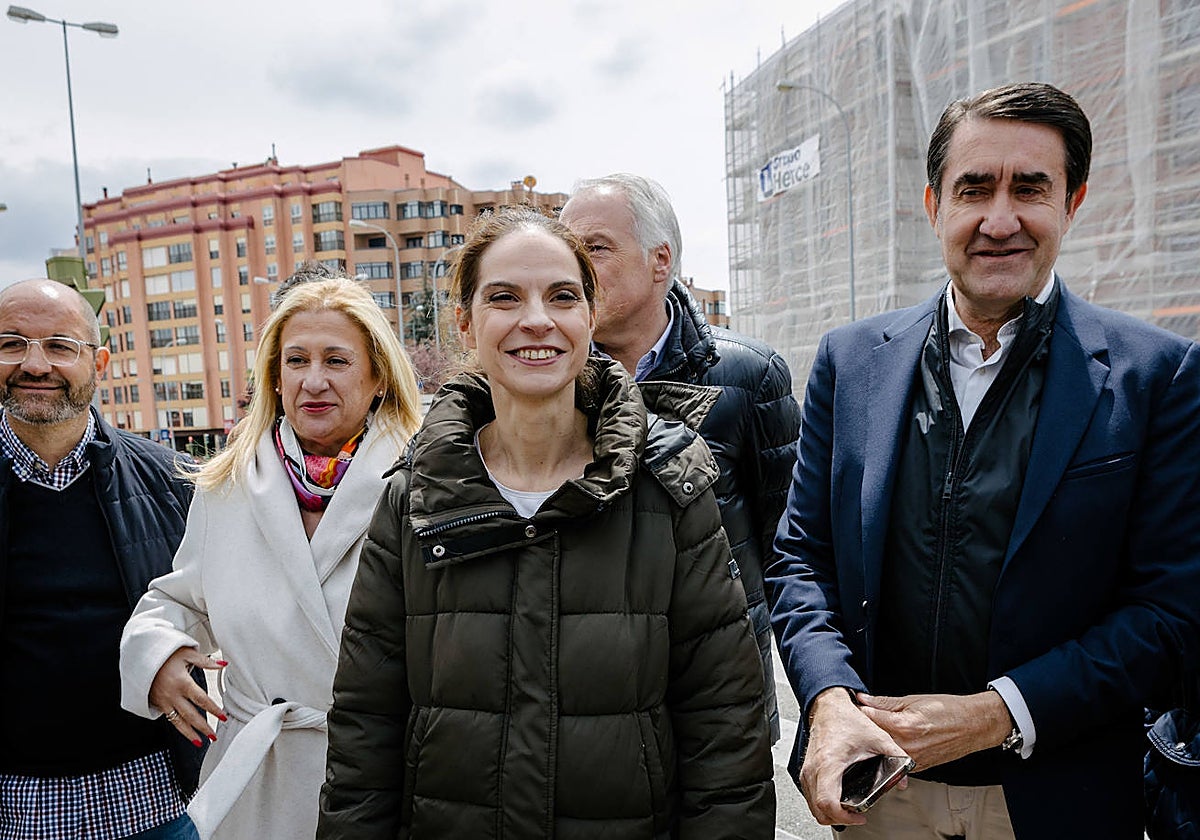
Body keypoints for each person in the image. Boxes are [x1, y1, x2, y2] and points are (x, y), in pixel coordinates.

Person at [767, 81, 1200, 838]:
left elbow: (1170, 613)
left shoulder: (1157, 375)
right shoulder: (851, 361)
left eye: (1030, 188)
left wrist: (997, 713)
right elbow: (802, 559)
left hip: (1058, 797)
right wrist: (828, 698)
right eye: (974, 189)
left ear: (1072, 202)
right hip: (881, 791)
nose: (1000, 220)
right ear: (934, 206)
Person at [318, 207, 775, 838]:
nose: (537, 319)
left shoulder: (668, 489)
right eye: (504, 297)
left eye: (562, 296)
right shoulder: (413, 498)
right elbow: (365, 730)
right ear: (465, 322)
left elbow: (724, 728)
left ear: (589, 317)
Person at [120, 275, 423, 839]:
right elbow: (178, 601)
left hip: (384, 777)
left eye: (337, 361)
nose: (314, 380)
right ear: (275, 378)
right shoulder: (227, 484)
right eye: (296, 360)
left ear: (378, 377)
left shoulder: (427, 482)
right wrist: (157, 656)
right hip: (258, 782)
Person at [560, 174, 801, 741]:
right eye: (569, 251)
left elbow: (788, 549)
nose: (576, 269)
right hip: (591, 704)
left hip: (722, 700)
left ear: (660, 260)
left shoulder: (748, 376)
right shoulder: (548, 379)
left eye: (596, 247)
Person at [0, 279, 200, 839]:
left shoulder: (175, 482)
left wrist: (175, 650)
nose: (34, 364)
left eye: (60, 346)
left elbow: (220, 610)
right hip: (16, 809)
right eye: (12, 344)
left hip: (158, 801)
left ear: (100, 363)